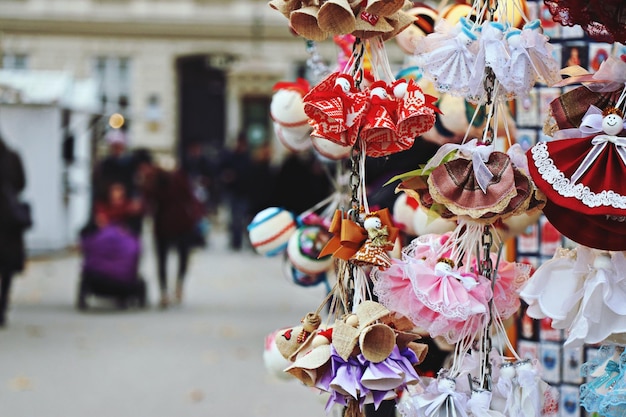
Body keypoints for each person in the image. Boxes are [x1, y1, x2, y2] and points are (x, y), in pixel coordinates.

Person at [135, 149, 204, 308]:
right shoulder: (154, 179)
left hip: (177, 223)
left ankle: (172, 288)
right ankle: (167, 290)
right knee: (169, 257)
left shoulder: (168, 177)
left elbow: (187, 196)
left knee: (173, 257)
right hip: (168, 223)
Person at [0, 138, 28, 327]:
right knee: (7, 268)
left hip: (7, 219)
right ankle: (2, 306)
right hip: (9, 220)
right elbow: (22, 183)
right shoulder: (12, 157)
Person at [219, 133, 254, 250]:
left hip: (243, 192)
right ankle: (236, 242)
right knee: (235, 219)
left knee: (242, 218)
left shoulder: (247, 158)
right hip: (234, 192)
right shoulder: (231, 156)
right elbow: (222, 171)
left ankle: (240, 241)